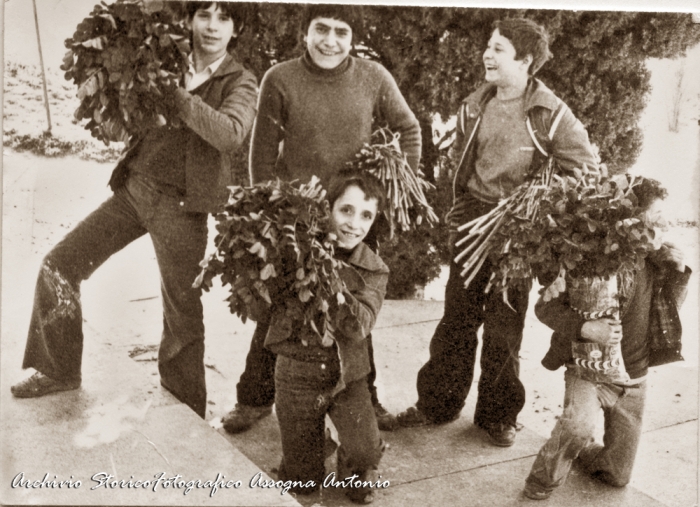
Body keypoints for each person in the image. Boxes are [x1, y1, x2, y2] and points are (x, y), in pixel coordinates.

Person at [10, 1, 258, 419]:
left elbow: (230, 134)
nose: (212, 26)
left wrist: (173, 94)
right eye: (204, 14)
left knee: (182, 316)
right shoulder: (164, 55)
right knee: (60, 264)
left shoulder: (241, 80)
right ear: (189, 19)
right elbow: (132, 114)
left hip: (182, 207)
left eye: (224, 17)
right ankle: (57, 370)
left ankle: (185, 412)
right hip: (134, 191)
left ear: (236, 28)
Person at [395, 18, 599, 447]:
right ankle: (437, 404)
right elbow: (462, 160)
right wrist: (460, 212)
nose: (488, 54)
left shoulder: (550, 112)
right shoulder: (475, 104)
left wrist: (542, 202)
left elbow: (586, 170)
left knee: (505, 327)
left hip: (519, 234)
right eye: (489, 45)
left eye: (499, 48)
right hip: (474, 222)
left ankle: (498, 416)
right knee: (456, 319)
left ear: (525, 60)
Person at [222, 3, 421, 434]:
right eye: (321, 29)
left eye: (342, 32)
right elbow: (261, 151)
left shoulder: (373, 77)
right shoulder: (280, 78)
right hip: (300, 219)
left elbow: (409, 128)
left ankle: (365, 398)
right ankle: (254, 397)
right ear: (305, 32)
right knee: (280, 307)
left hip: (352, 218)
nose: (331, 40)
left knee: (354, 313)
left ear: (353, 39)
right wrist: (267, 210)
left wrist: (387, 192)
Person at [523, 178, 691, 500]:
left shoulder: (656, 261)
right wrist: (586, 328)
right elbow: (545, 307)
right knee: (577, 426)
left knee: (617, 475)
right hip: (588, 369)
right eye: (655, 218)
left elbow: (667, 316)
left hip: (634, 376)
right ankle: (542, 477)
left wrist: (679, 273)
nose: (663, 226)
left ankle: (583, 451)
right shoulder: (592, 259)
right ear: (631, 221)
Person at [270, 170, 388, 504]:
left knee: (365, 456)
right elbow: (265, 302)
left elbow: (360, 324)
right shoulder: (296, 250)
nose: (354, 223)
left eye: (366, 215)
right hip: (296, 373)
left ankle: (353, 460)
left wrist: (330, 276)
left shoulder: (374, 269)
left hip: (346, 376)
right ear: (328, 210)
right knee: (304, 486)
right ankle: (312, 445)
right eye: (346, 210)